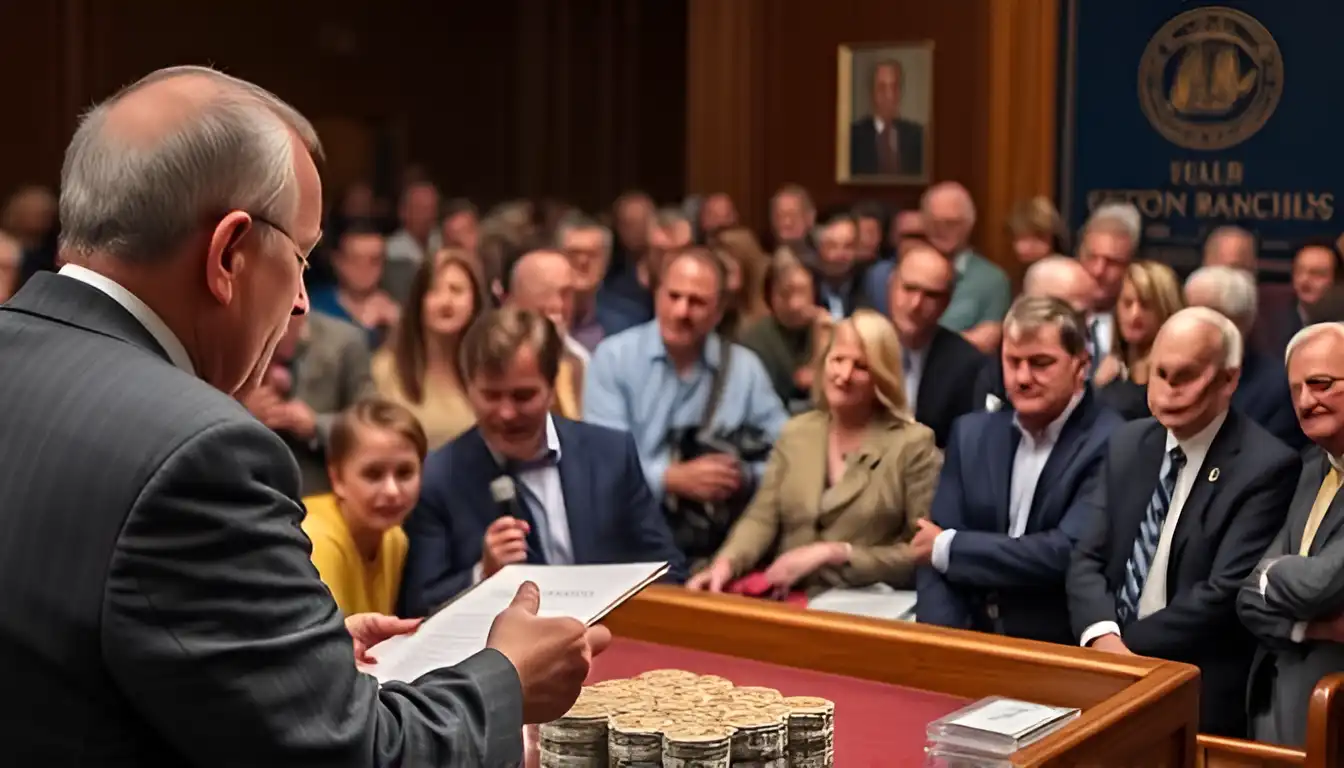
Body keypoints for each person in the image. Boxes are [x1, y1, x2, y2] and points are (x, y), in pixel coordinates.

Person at [0, 65, 603, 766]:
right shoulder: (199, 453)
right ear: (228, 253)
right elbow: (357, 757)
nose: (301, 303)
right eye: (302, 259)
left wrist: (281, 659)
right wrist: (505, 679)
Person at [1067, 307, 1299, 736]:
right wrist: (1102, 637)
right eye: (1160, 373)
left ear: (1229, 379)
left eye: (1185, 376)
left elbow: (1223, 592)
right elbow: (1086, 557)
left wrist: (1124, 648)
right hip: (1105, 662)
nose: (1168, 390)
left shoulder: (1266, 466)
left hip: (1195, 681)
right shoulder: (1128, 442)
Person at [400, 307, 687, 616]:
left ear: (552, 387)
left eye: (523, 396)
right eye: (491, 396)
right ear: (468, 388)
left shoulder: (611, 455)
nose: (506, 413)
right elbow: (418, 606)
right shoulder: (438, 478)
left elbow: (667, 569)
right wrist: (483, 575)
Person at [688, 310, 941, 596]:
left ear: (882, 377)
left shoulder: (913, 443)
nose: (844, 375)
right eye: (838, 360)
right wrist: (726, 563)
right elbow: (762, 517)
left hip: (869, 607)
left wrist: (837, 553)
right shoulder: (797, 432)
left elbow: (922, 552)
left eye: (861, 366)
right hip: (790, 600)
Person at [916, 297, 1122, 644]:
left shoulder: (1112, 441)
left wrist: (951, 548)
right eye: (1013, 362)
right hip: (968, 636)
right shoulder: (971, 434)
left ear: (1081, 366)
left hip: (1055, 646)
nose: (1023, 378)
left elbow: (1065, 552)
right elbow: (930, 556)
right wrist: (942, 644)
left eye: (1041, 363)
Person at [585, 247, 790, 567]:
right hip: (634, 542)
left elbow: (790, 454)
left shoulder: (744, 368)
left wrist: (743, 477)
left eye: (697, 302)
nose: (681, 311)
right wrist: (669, 478)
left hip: (720, 545)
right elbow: (603, 466)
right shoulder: (614, 359)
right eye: (673, 296)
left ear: (719, 310)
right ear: (657, 295)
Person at [1240, 322, 1344, 746]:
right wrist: (1312, 628)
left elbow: (1321, 585)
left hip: (1333, 712)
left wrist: (1271, 575)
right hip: (1275, 701)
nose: (1305, 401)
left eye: (1321, 384)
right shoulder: (1310, 468)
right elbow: (1247, 595)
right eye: (1296, 388)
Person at [304, 398, 426, 616]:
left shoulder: (395, 538)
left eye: (405, 473)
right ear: (337, 478)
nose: (392, 491)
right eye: (373, 474)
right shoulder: (316, 541)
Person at [887, 242, 986, 448]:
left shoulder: (967, 365)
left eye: (930, 295)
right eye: (909, 288)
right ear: (891, 285)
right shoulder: (859, 348)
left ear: (947, 302)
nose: (916, 304)